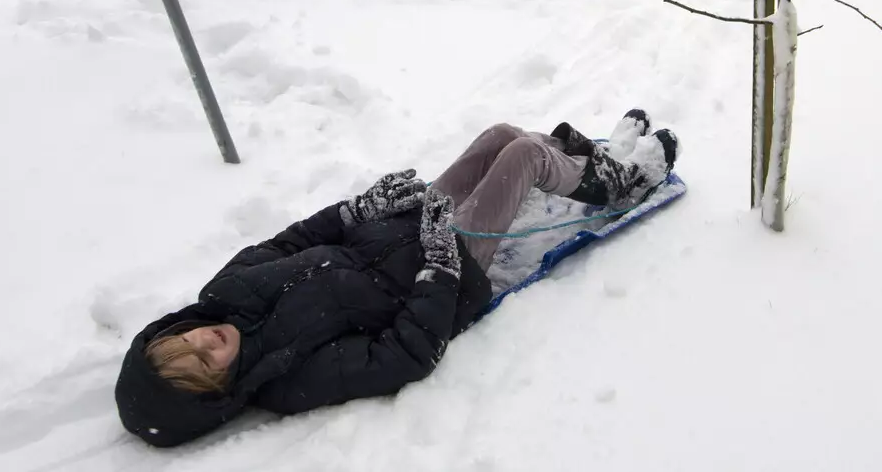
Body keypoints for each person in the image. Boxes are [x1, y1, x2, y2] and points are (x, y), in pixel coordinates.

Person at [114, 113, 679, 448]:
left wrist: (357, 212)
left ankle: (578, 166)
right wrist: (438, 267)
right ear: (219, 393)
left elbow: (291, 241)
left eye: (185, 341)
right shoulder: (288, 380)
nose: (204, 341)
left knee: (499, 136)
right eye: (203, 363)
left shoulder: (223, 292)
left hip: (406, 225)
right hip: (450, 263)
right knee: (523, 154)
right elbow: (404, 355)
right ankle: (615, 182)